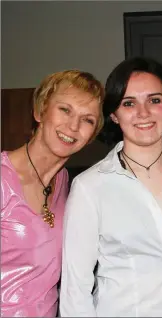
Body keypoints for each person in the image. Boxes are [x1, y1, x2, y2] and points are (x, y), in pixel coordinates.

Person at [59, 57, 162, 317]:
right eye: (129, 103)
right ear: (113, 114)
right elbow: (76, 288)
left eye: (154, 100)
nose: (143, 113)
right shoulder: (91, 187)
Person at [1, 70, 104, 317]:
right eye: (65, 110)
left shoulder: (65, 183)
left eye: (87, 119)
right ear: (39, 112)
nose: (73, 126)